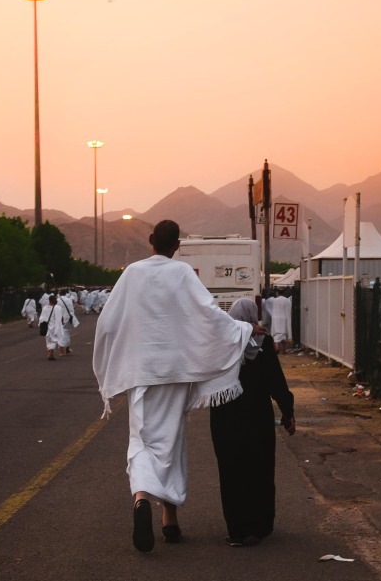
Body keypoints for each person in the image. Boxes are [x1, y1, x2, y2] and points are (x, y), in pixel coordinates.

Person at [93, 220, 266, 553]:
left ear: (150, 241)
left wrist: (117, 358)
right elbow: (209, 314)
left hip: (142, 372)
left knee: (141, 439)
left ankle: (142, 498)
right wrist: (244, 330)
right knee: (170, 442)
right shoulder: (183, 272)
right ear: (177, 246)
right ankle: (169, 520)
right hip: (176, 371)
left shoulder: (131, 273)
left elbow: (109, 320)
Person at [210, 298, 295, 547]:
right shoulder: (263, 343)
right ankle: (261, 526)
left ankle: (237, 531)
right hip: (258, 419)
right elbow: (276, 383)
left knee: (231, 473)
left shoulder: (220, 345)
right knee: (260, 471)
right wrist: (287, 413)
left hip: (225, 420)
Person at [38, 294, 64, 361]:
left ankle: (51, 354)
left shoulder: (45, 308)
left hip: (47, 327)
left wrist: (40, 324)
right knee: (54, 341)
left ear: (49, 300)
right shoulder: (58, 308)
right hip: (55, 326)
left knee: (48, 340)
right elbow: (59, 318)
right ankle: (50, 353)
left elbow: (41, 318)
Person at [57, 290, 79, 356]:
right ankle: (67, 349)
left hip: (61, 319)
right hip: (69, 318)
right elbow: (72, 310)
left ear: (59, 294)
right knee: (67, 332)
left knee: (61, 333)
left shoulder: (57, 300)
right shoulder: (69, 300)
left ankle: (61, 351)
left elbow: (56, 310)